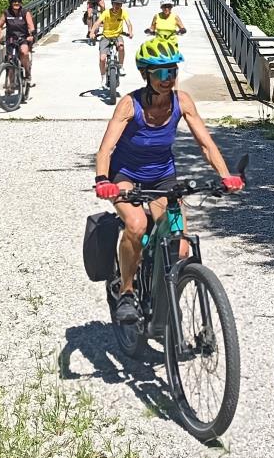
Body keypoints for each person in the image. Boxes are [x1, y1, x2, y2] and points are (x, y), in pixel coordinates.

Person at [93, 37, 243, 323]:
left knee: (181, 246)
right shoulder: (129, 104)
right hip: (126, 176)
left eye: (172, 71)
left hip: (163, 177)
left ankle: (163, 300)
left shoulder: (181, 101)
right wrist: (102, 180)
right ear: (145, 75)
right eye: (160, 72)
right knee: (137, 224)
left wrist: (226, 176)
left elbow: (206, 144)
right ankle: (127, 291)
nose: (167, 78)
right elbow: (106, 149)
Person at [0, 0, 35, 87]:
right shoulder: (6, 13)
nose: (16, 3)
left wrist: (31, 34)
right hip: (11, 39)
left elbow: (31, 26)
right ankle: (11, 83)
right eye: (14, 1)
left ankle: (27, 73)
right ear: (10, 2)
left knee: (24, 52)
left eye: (18, 1)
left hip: (23, 38)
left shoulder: (25, 12)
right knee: (10, 60)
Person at [91, 0, 131, 85]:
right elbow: (97, 23)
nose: (117, 6)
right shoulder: (106, 13)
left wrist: (130, 32)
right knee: (102, 59)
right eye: (116, 4)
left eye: (119, 4)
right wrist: (92, 32)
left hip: (117, 36)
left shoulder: (123, 12)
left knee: (121, 47)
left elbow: (128, 23)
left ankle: (121, 66)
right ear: (112, 4)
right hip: (106, 36)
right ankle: (103, 76)